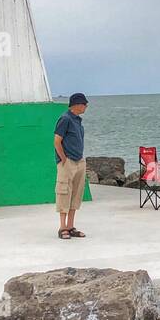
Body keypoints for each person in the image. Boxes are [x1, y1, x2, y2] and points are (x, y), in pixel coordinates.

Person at [54, 93, 88, 240]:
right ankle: (62, 227)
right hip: (67, 162)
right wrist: (64, 159)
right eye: (84, 104)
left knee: (76, 194)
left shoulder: (77, 121)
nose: (86, 106)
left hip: (79, 161)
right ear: (77, 104)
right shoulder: (65, 119)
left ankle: (70, 226)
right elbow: (57, 141)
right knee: (64, 192)